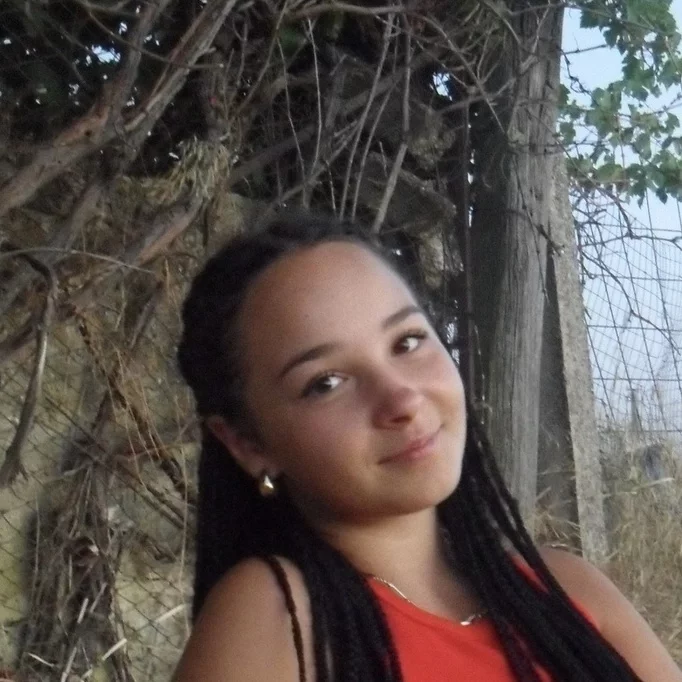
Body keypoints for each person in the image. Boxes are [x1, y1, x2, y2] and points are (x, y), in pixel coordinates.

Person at [173, 212, 681, 682]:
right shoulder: (280, 616)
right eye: (325, 382)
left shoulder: (565, 591)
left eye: (408, 341)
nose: (402, 399)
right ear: (245, 442)